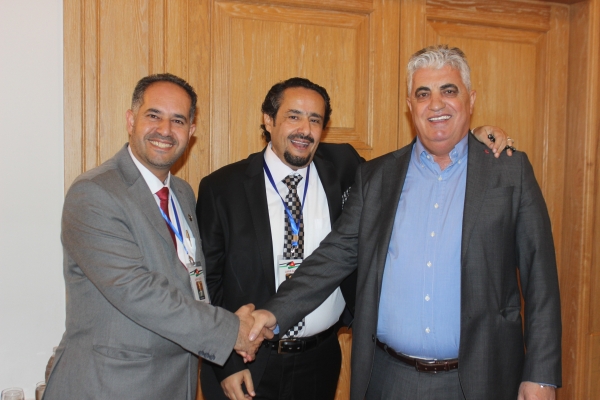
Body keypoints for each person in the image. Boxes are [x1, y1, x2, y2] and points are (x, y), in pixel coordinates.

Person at [249, 46, 561, 400]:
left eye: (448, 90)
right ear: (410, 105)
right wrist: (272, 314)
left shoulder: (509, 172)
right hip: (388, 380)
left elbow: (541, 280)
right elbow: (332, 258)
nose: (436, 104)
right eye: (423, 94)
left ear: (471, 99)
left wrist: (542, 376)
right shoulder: (376, 177)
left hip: (480, 380)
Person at [197, 77, 513, 400]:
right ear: (268, 119)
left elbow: (407, 169)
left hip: (320, 360)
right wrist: (226, 361)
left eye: (315, 120)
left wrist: (466, 138)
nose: (305, 130)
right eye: (294, 116)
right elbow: (207, 287)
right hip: (247, 362)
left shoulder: (345, 166)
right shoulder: (221, 188)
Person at [44, 73, 270, 400]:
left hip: (176, 381)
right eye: (154, 115)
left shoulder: (182, 193)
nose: (165, 130)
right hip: (110, 384)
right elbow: (138, 291)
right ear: (131, 120)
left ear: (191, 131)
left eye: (178, 120)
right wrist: (232, 330)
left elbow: (191, 280)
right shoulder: (94, 194)